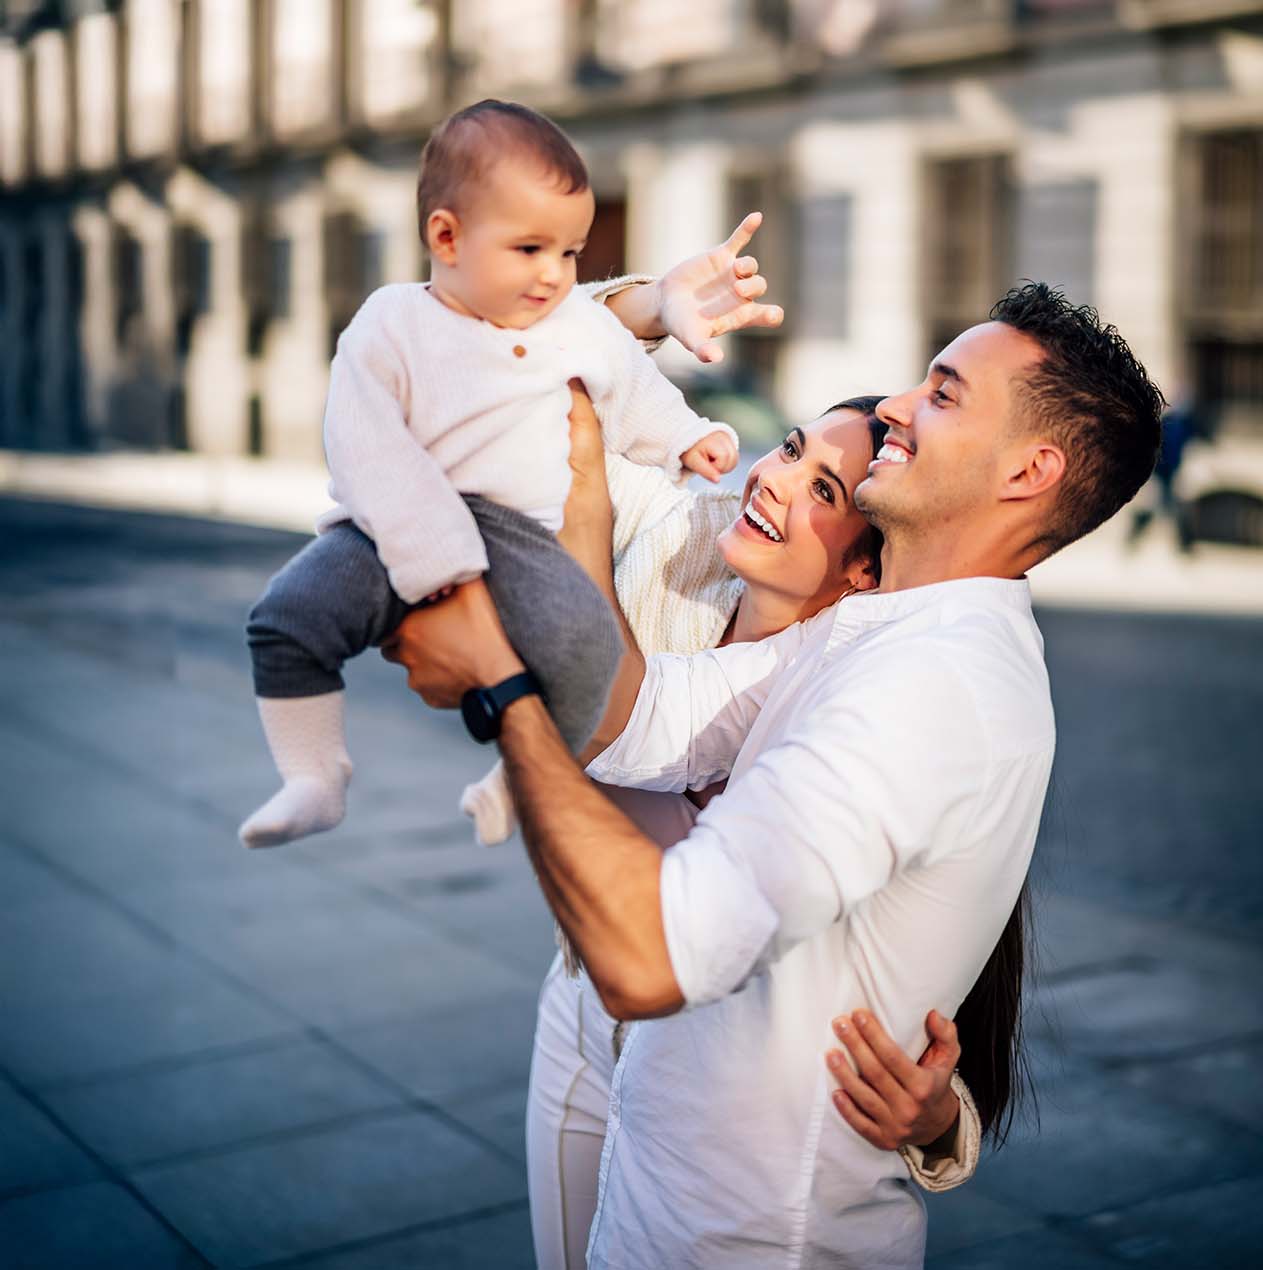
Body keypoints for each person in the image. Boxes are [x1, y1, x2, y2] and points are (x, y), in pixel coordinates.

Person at [385, 280, 1164, 1266]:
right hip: (665, 1199)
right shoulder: (871, 634)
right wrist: (586, 450)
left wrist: (498, 682)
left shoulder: (930, 687)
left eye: (943, 392)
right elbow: (635, 718)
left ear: (1028, 470)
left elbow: (650, 955)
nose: (893, 405)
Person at [514, 392, 984, 1269]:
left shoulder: (864, 707)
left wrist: (941, 1119)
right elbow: (540, 383)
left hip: (720, 1116)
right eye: (790, 449)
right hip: (584, 1022)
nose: (770, 481)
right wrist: (652, 307)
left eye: (824, 490)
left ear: (865, 571)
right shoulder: (680, 546)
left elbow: (908, 974)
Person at [238, 99, 740, 850]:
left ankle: (518, 774)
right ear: (447, 236)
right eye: (530, 249)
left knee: (588, 654)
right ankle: (313, 775)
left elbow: (631, 392)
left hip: (519, 534)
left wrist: (688, 439)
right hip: (391, 525)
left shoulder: (578, 323)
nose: (553, 275)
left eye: (569, 254)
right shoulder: (392, 321)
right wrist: (432, 560)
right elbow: (363, 442)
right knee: (286, 618)